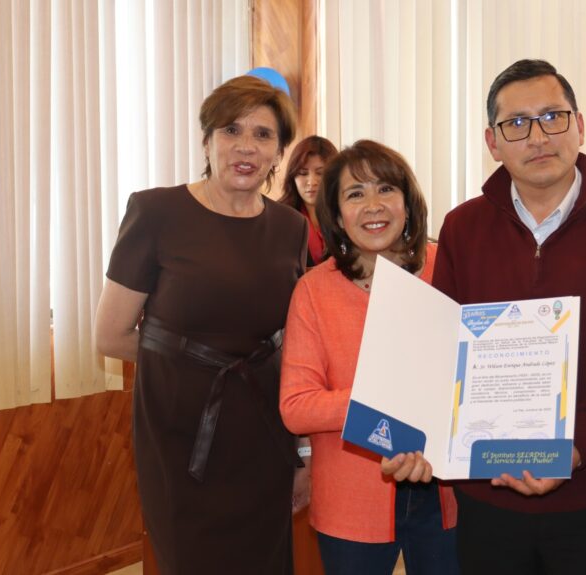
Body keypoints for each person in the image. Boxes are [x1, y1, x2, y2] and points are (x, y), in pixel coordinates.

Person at [432, 59, 586, 574]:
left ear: (579, 125)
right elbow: (443, 352)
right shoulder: (461, 228)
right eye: (516, 123)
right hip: (489, 493)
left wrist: (574, 448)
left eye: (553, 117)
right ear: (492, 142)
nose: (538, 136)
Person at [94, 75, 308, 574]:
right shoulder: (155, 211)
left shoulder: (291, 227)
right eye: (231, 130)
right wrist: (191, 366)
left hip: (264, 431)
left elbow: (293, 343)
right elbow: (111, 335)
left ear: (279, 152)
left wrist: (305, 453)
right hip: (180, 430)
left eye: (263, 134)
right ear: (207, 140)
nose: (246, 146)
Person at [279, 139, 459, 575]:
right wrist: (381, 398)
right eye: (355, 194)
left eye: (386, 189)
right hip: (352, 496)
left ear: (408, 204)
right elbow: (296, 407)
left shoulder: (449, 269)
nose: (373, 206)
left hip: (446, 490)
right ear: (337, 214)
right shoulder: (314, 290)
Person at [279, 135, 338, 265]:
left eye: (320, 173)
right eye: (303, 173)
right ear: (292, 176)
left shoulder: (346, 215)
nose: (311, 182)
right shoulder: (279, 218)